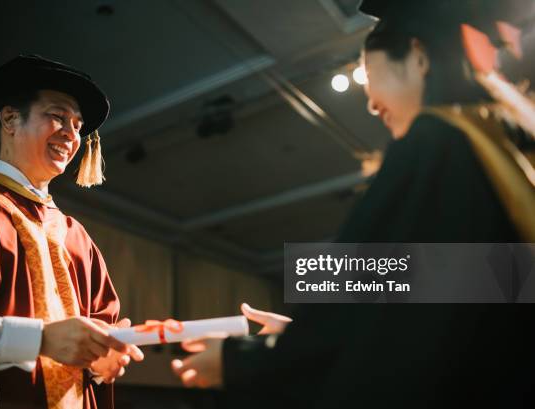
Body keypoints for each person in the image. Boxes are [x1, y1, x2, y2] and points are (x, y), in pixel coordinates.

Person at [171, 1, 535, 407]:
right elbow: (453, 307)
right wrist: (297, 333)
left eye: (370, 73)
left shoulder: (437, 142)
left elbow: (369, 328)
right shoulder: (506, 144)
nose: (371, 104)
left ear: (417, 56)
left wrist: (243, 359)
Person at [0, 55, 144, 409]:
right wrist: (39, 340)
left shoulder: (77, 237)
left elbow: (101, 337)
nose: (72, 135)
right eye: (57, 116)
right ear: (10, 119)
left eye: (77, 124)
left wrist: (103, 362)